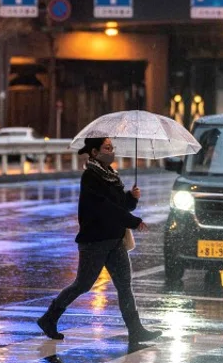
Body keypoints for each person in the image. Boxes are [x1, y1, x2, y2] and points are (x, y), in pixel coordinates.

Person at [37, 137, 161, 345]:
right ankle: (49, 318)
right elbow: (105, 208)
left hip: (115, 239)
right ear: (94, 152)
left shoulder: (111, 176)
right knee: (83, 284)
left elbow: (121, 205)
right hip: (95, 241)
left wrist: (132, 197)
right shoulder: (91, 177)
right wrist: (132, 221)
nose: (111, 151)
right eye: (106, 148)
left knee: (124, 286)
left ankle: (135, 330)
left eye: (112, 148)